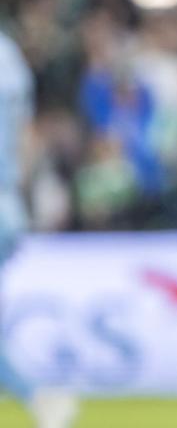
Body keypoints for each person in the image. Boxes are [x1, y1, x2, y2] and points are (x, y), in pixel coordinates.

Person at [0, 30, 78, 428]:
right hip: (7, 202)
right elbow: (26, 136)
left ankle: (38, 396)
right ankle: (40, 397)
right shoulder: (9, 51)